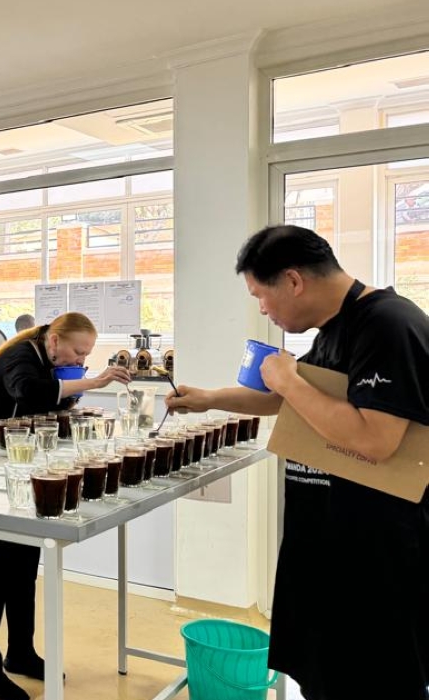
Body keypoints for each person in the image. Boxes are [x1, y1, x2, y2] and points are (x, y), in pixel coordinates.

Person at [166, 225, 429, 700]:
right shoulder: (335, 330)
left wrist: (288, 381)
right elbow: (298, 401)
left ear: (292, 280)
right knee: (325, 676)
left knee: (375, 679)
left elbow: (376, 439)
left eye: (260, 296)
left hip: (376, 556)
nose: (262, 309)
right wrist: (208, 399)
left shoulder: (389, 325)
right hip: (326, 544)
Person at [0, 312, 131, 700]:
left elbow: (50, 408)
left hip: (27, 469)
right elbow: (31, 393)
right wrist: (93, 381)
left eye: (86, 356)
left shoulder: (50, 360)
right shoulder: (20, 357)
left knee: (24, 566)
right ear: (54, 340)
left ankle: (20, 652)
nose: (80, 361)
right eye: (77, 352)